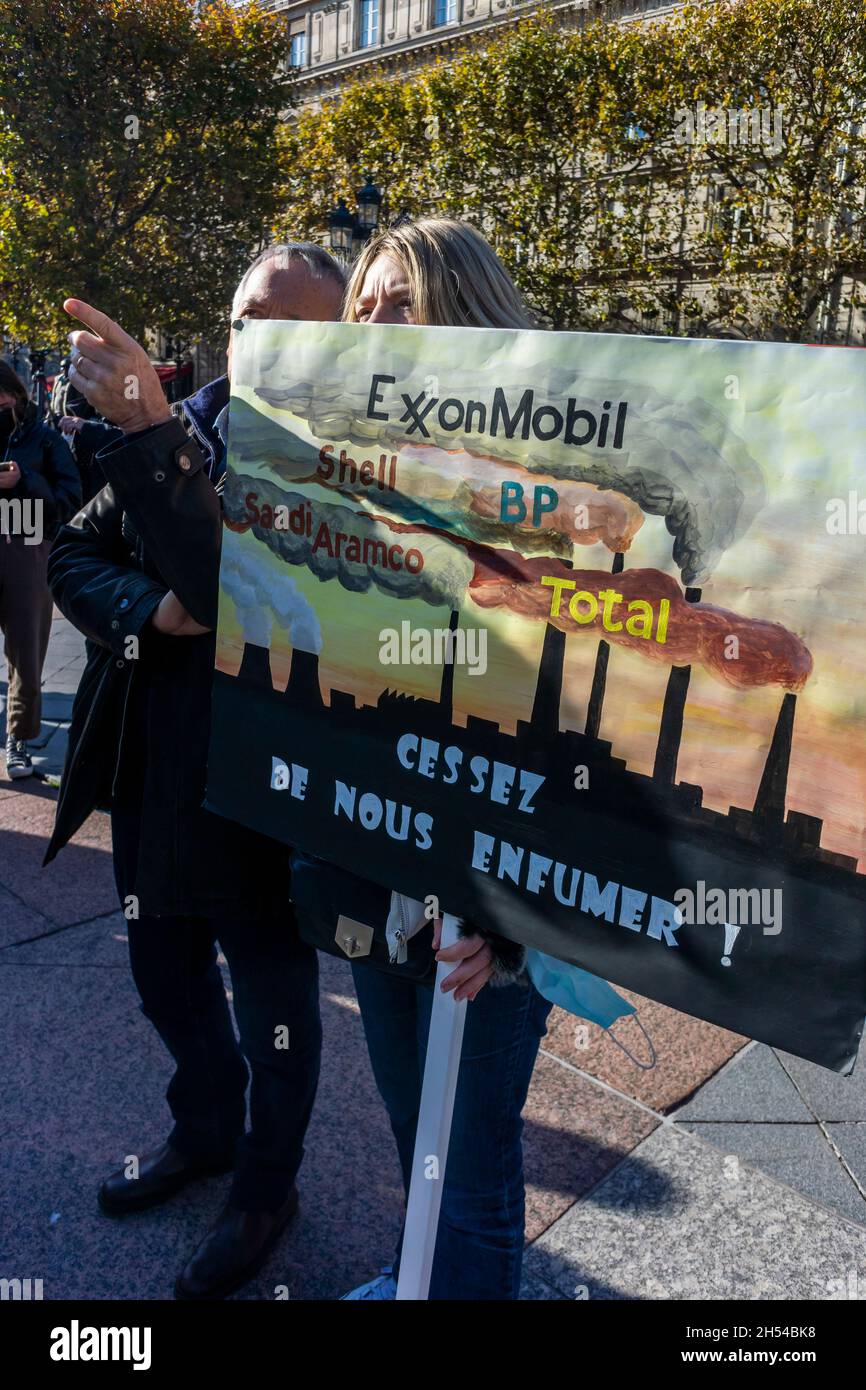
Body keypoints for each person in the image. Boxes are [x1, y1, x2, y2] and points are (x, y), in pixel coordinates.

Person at [44, 243, 345, 1300]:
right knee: (162, 976)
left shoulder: (343, 459)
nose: (264, 343)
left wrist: (152, 436)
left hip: (266, 783)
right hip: (152, 762)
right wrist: (151, 611)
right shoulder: (190, 423)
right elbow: (73, 558)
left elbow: (243, 596)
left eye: (296, 326)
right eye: (248, 318)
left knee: (272, 997)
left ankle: (268, 1185)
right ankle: (205, 1129)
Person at [337, 218, 554, 1300]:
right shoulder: (339, 481)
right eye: (363, 303)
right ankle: (415, 1276)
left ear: (466, 316)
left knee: (471, 1168)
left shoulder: (538, 491)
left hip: (487, 905)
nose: (373, 320)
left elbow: (572, 729)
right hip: (376, 879)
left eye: (400, 302)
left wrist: (516, 922)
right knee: (407, 1130)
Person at [0, 360, 81, 779]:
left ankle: (19, 738)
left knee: (26, 654)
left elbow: (71, 497)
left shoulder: (45, 439)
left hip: (27, 544)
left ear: (15, 394)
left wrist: (26, 480)